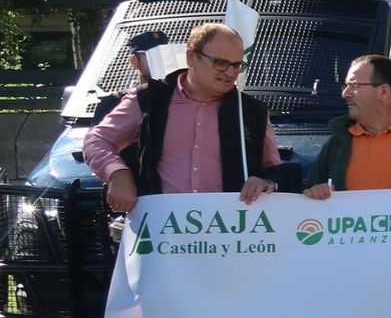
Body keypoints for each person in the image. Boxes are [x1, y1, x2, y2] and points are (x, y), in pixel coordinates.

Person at [84, 23, 284, 214]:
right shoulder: (149, 99)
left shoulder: (252, 110)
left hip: (231, 229)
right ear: (191, 57)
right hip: (162, 229)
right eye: (221, 63)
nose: (230, 72)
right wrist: (117, 173)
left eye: (237, 65)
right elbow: (97, 140)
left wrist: (267, 182)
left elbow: (273, 170)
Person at [303, 55, 391, 197]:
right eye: (346, 86)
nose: (344, 94)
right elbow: (310, 194)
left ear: (383, 91)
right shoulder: (337, 142)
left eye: (353, 86)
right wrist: (315, 192)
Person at [93, 29, 171, 124]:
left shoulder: (179, 97)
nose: (160, 59)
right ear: (134, 61)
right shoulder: (112, 104)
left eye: (164, 53)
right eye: (153, 54)